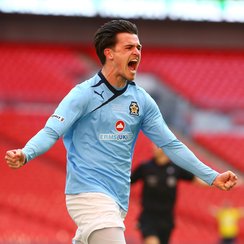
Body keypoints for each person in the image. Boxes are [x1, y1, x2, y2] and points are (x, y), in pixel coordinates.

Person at [4, 19, 237, 244]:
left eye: (138, 47)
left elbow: (171, 145)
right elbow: (51, 131)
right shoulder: (83, 94)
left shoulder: (142, 101)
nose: (136, 52)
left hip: (117, 201)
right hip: (88, 194)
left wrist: (212, 177)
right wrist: (26, 153)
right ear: (109, 53)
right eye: (128, 47)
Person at [131, 144, 207, 244]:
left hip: (166, 218)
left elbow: (196, 180)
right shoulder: (145, 167)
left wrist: (217, 182)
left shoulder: (176, 168)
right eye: (154, 145)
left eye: (158, 145)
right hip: (148, 217)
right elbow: (128, 182)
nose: (155, 148)